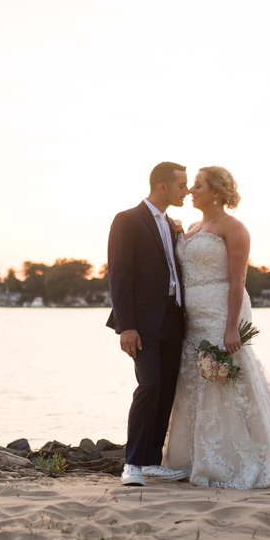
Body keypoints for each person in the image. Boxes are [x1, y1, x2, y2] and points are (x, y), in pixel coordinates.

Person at [163, 166, 270, 490]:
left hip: (222, 314)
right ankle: (194, 458)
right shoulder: (190, 226)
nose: (190, 190)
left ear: (215, 192)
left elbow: (238, 280)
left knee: (225, 380)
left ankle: (236, 460)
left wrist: (231, 327)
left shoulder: (235, 228)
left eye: (198, 185)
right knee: (195, 380)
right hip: (193, 319)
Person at [107, 162, 191, 486]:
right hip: (142, 322)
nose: (186, 191)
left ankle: (153, 461)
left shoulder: (171, 223)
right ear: (163, 187)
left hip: (174, 318)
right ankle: (132, 464)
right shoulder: (127, 220)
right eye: (182, 185)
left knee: (167, 388)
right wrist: (126, 326)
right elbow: (118, 276)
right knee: (150, 385)